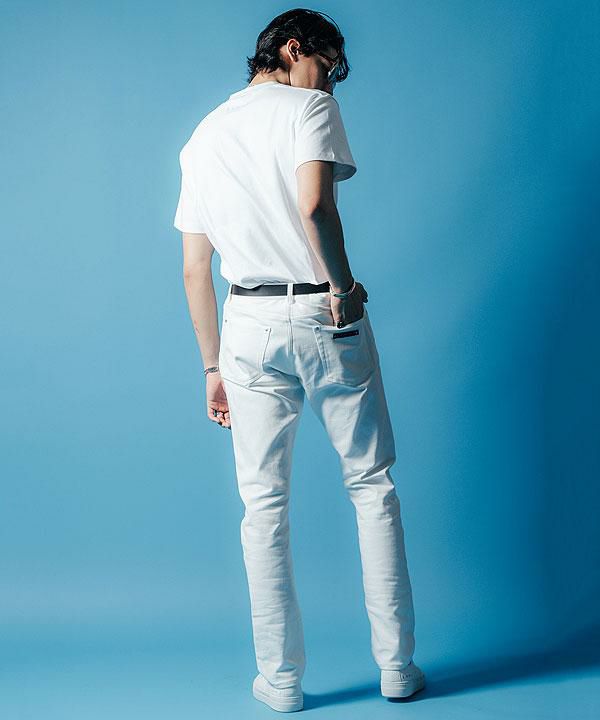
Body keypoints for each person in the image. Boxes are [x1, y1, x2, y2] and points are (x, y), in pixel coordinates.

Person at [173, 8, 425, 713]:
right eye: (329, 66)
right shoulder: (309, 108)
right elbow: (316, 207)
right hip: (321, 311)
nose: (332, 83)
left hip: (245, 324)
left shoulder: (203, 137)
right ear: (293, 49)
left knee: (263, 506)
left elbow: (195, 268)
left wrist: (211, 368)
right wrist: (343, 289)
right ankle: (397, 669)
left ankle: (281, 684)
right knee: (370, 483)